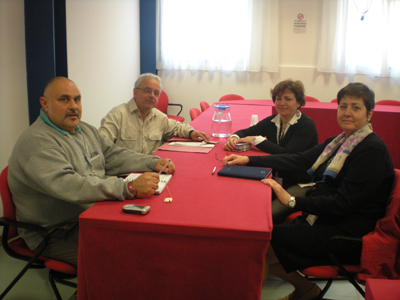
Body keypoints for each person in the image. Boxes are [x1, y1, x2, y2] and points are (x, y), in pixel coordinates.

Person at [223, 83, 394, 300]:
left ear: (369, 114)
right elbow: (298, 159)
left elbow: (343, 204)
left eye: (356, 108)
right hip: (326, 219)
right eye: (343, 106)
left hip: (348, 233)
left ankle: (299, 291)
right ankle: (307, 290)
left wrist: (293, 201)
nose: (347, 113)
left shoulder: (372, 150)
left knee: (259, 243)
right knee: (259, 244)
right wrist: (248, 159)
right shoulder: (339, 142)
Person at [8, 77, 175, 268]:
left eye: (77, 100)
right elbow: (71, 185)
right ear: (44, 104)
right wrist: (127, 187)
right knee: (128, 258)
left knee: (147, 238)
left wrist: (153, 163)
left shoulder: (84, 130)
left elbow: (112, 155)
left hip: (92, 213)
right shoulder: (37, 142)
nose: (73, 106)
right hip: (56, 232)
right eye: (64, 100)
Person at [223, 79, 318, 189]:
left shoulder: (306, 125)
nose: (282, 103)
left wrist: (255, 140)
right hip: (275, 177)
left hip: (297, 182)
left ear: (299, 102)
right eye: (278, 99)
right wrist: (234, 137)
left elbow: (287, 154)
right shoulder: (273, 120)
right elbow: (247, 132)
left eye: (288, 99)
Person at [99, 73, 210, 155]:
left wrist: (191, 133)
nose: (152, 95)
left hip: (151, 171)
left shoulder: (159, 117)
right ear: (135, 92)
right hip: (123, 175)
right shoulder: (117, 116)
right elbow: (99, 148)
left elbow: (177, 128)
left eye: (156, 93)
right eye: (147, 90)